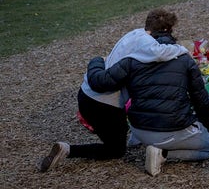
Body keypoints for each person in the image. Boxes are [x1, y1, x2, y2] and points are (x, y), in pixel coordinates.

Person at [37, 9, 190, 172]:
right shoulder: (147, 43)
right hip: (105, 105)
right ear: (165, 30)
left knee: (116, 135)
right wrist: (183, 49)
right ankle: (68, 149)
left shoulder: (134, 34)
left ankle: (130, 136)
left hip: (86, 94)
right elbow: (160, 53)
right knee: (116, 150)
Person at [86, 9, 209, 176]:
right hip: (174, 128)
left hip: (139, 129)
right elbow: (201, 99)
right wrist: (207, 126)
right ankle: (163, 154)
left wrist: (96, 60)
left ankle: (147, 145)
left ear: (147, 31)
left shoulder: (133, 57)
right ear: (171, 30)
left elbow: (100, 82)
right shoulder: (184, 59)